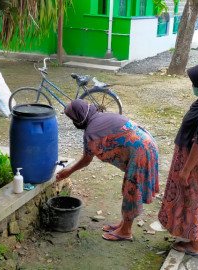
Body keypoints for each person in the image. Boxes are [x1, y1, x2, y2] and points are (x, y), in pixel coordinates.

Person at [56, 99, 159, 242]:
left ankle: (125, 231)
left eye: (72, 119)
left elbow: (87, 160)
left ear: (79, 117)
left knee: (131, 190)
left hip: (141, 152)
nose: (73, 122)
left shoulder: (91, 133)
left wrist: (69, 171)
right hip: (148, 144)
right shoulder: (101, 117)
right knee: (128, 187)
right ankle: (123, 224)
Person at [158, 63, 198, 257]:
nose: (192, 87)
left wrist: (185, 170)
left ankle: (195, 246)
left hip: (197, 164)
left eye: (194, 83)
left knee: (194, 199)